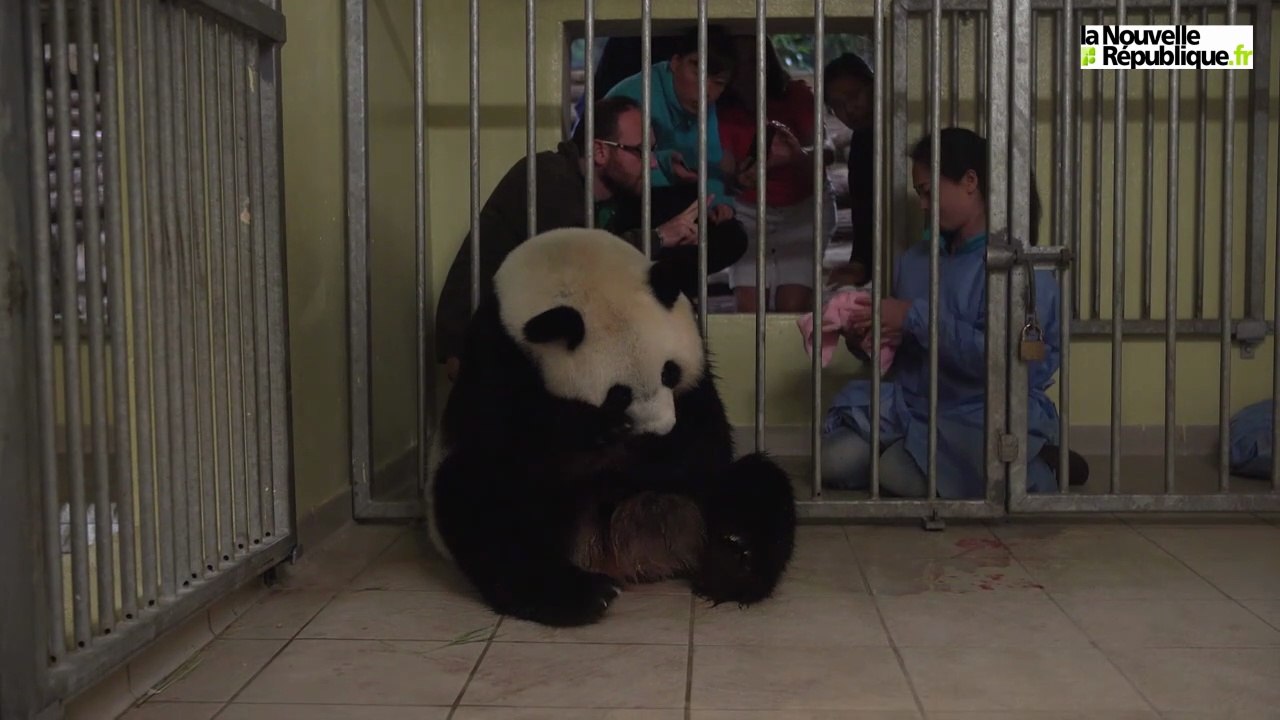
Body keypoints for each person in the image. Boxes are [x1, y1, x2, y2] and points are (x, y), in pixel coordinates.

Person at [819, 127, 1065, 498]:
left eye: (928, 192)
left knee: (892, 473)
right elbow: (902, 349)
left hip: (977, 412)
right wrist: (868, 338)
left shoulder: (1021, 270)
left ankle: (1039, 463)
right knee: (830, 462)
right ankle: (924, 455)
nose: (922, 206)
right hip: (912, 405)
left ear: (970, 182)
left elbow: (1008, 364)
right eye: (920, 194)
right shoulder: (916, 260)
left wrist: (914, 318)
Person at [434, 96, 747, 380]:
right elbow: (584, 261)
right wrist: (660, 236)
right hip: (479, 343)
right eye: (641, 151)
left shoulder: (615, 197)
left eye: (653, 150)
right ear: (600, 150)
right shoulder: (547, 176)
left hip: (529, 336)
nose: (652, 163)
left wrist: (714, 218)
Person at [716, 34, 837, 313]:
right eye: (738, 61)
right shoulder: (720, 108)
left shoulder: (797, 94)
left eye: (753, 58)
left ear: (767, 58)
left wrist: (798, 155)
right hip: (748, 210)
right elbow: (725, 169)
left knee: (791, 309)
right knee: (749, 309)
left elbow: (827, 149)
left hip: (804, 208)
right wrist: (739, 178)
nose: (746, 68)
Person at [603, 25, 739, 224]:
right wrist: (667, 168)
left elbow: (708, 164)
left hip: (667, 195)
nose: (706, 90)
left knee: (731, 232)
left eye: (718, 82)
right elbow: (614, 165)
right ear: (675, 62)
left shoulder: (702, 103)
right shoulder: (637, 95)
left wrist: (719, 202)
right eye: (698, 73)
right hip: (615, 201)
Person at [823, 52, 876, 287]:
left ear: (874, 84)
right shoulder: (862, 142)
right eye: (837, 106)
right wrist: (860, 264)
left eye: (855, 96)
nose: (849, 110)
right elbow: (864, 211)